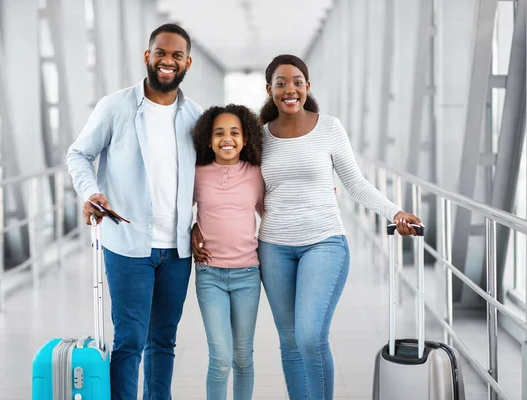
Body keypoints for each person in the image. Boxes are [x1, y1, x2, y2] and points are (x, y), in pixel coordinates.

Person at [192, 54, 422, 400]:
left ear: (307, 87)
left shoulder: (329, 128)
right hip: (273, 248)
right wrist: (195, 225)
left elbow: (356, 184)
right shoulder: (260, 138)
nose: (290, 89)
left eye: (297, 82)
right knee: (289, 342)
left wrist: (395, 212)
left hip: (324, 242)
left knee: (310, 337)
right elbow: (235, 181)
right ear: (269, 89)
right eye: (281, 83)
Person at [66, 23, 202, 400]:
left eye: (177, 55)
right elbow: (78, 154)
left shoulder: (195, 117)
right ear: (147, 56)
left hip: (176, 250)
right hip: (127, 244)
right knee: (129, 340)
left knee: (164, 342)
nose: (167, 61)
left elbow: (218, 172)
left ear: (187, 62)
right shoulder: (115, 106)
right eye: (161, 53)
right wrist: (91, 191)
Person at [191, 104, 264, 400]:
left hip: (248, 275)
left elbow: (274, 209)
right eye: (219, 133)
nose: (227, 138)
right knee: (220, 359)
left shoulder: (257, 174)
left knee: (243, 358)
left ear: (245, 138)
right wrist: (190, 229)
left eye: (234, 132)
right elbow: (179, 210)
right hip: (210, 275)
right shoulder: (197, 173)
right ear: (209, 140)